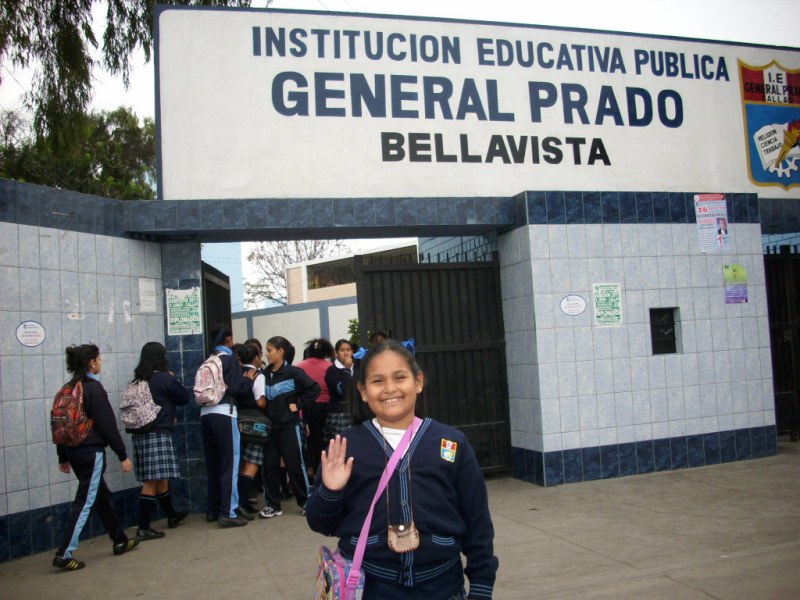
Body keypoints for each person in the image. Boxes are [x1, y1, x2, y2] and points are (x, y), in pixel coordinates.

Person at [306, 340, 498, 599]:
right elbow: (320, 523)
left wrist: (482, 586)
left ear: (418, 381)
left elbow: (478, 521)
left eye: (400, 377)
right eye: (377, 381)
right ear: (363, 391)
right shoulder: (345, 447)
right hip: (373, 587)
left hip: (443, 587)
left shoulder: (451, 442)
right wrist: (331, 490)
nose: (390, 389)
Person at [52, 344, 140, 570]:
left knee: (99, 495)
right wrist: (122, 454)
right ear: (91, 362)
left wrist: (63, 456)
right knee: (84, 501)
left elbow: (60, 425)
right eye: (99, 359)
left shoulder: (66, 389)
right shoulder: (93, 388)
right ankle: (64, 553)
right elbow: (107, 425)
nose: (100, 362)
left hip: (73, 452)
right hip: (91, 452)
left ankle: (119, 539)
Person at [130, 341, 191, 541]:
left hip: (141, 434)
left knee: (160, 477)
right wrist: (173, 379)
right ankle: (144, 527)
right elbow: (183, 397)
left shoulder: (138, 380)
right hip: (158, 433)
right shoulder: (164, 378)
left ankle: (172, 516)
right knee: (151, 481)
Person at [201, 325, 257, 527]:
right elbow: (237, 389)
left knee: (214, 465)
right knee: (230, 465)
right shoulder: (229, 360)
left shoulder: (209, 360)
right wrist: (248, 380)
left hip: (206, 415)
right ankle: (228, 512)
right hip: (225, 414)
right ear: (229, 340)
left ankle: (213, 509)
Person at [260, 336, 320, 518]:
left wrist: (299, 406)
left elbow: (314, 389)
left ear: (281, 351)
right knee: (269, 466)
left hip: (289, 426)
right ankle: (272, 505)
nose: (267, 354)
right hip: (270, 428)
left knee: (295, 465)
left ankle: (306, 502)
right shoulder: (264, 375)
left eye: (270, 350)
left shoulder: (294, 373)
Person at [235, 343, 267, 518]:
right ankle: (240, 502)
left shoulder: (236, 372)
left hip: (237, 419)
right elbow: (260, 401)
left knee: (241, 462)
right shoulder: (257, 375)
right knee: (252, 463)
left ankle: (241, 500)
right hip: (254, 421)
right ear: (256, 357)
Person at [295, 338, 335, 477]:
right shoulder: (330, 366)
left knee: (307, 438)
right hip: (325, 406)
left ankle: (309, 466)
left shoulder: (299, 366)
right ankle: (320, 468)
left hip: (305, 406)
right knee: (322, 438)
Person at [323, 338, 355, 442]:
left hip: (355, 411)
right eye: (342, 350)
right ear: (336, 353)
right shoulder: (332, 370)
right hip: (340, 414)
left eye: (348, 350)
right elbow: (344, 389)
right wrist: (346, 369)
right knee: (342, 444)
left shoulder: (357, 367)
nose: (346, 353)